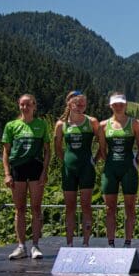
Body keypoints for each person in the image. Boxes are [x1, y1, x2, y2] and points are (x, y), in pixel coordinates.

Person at [2, 94, 51, 260]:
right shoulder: (11, 125)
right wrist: (7, 173)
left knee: (36, 208)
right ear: (19, 106)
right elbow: (6, 152)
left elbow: (47, 150)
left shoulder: (41, 124)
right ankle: (21, 246)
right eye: (22, 105)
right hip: (18, 169)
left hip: (36, 169)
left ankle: (35, 246)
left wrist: (45, 171)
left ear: (34, 106)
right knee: (20, 209)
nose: (25, 107)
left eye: (28, 104)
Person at [53, 90, 99, 248]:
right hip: (69, 169)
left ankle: (86, 242)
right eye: (77, 104)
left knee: (86, 206)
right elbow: (57, 148)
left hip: (86, 168)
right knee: (70, 207)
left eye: (83, 104)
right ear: (69, 104)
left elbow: (103, 143)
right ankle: (70, 243)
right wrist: (65, 161)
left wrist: (96, 159)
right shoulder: (61, 124)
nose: (80, 107)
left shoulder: (92, 121)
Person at [100, 92, 139, 248]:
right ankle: (110, 243)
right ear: (111, 106)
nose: (118, 106)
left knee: (129, 207)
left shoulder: (134, 123)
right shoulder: (103, 125)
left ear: (125, 105)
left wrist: (136, 162)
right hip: (110, 169)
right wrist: (108, 162)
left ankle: (127, 242)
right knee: (109, 208)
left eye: (121, 104)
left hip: (128, 169)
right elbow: (102, 149)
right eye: (115, 104)